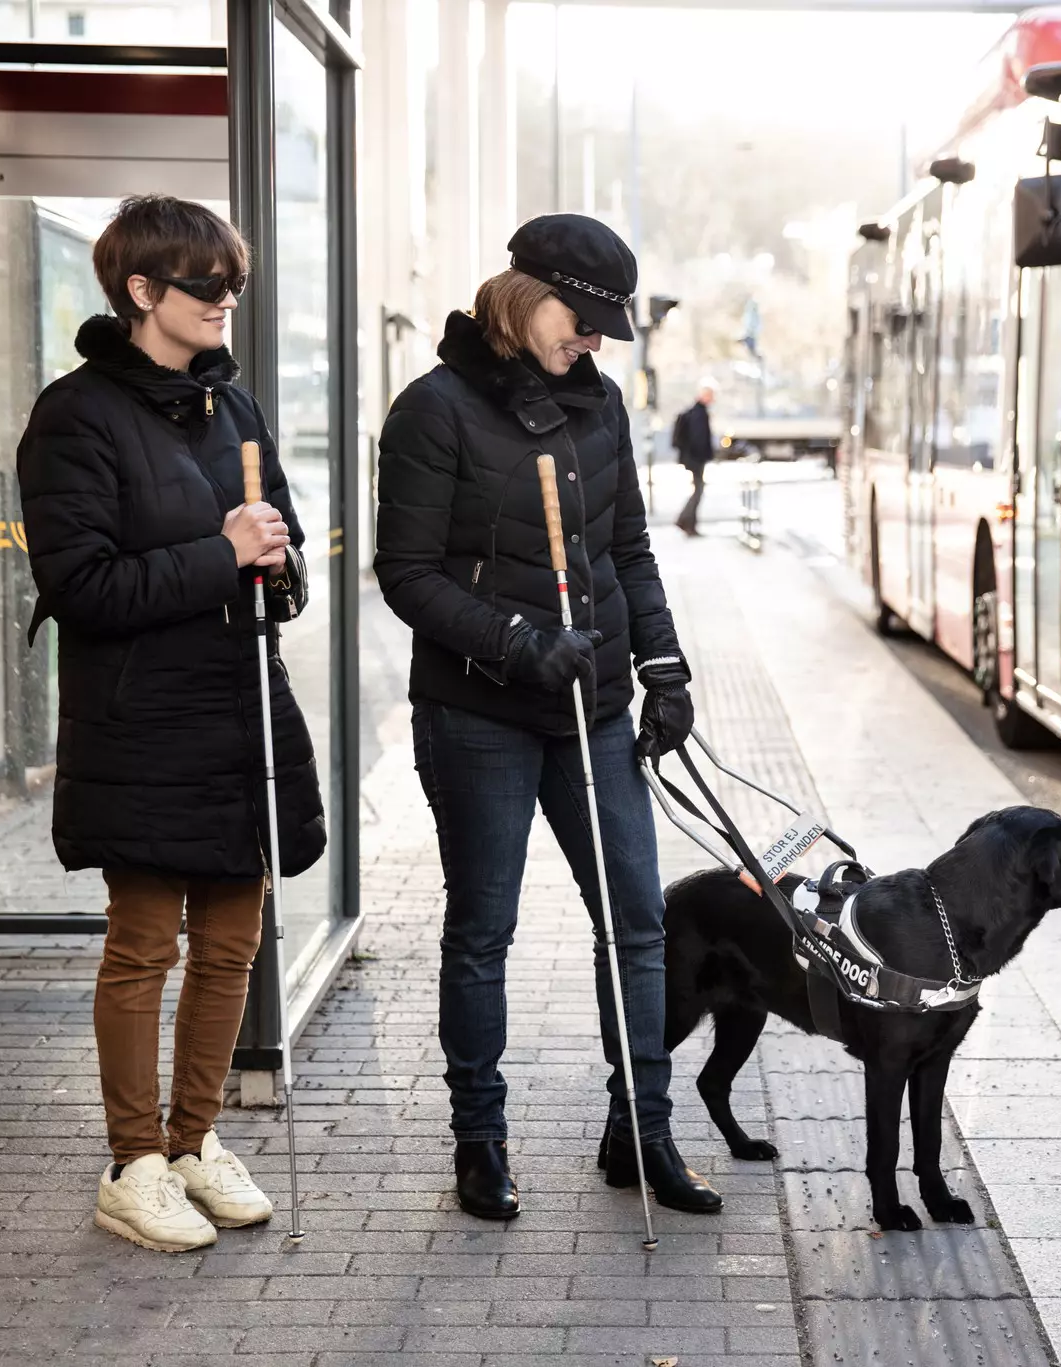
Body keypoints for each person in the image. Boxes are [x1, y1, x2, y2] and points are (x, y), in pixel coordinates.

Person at [373, 214, 719, 1221]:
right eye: (586, 318)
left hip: (597, 706)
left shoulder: (599, 404)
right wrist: (516, 639)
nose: (597, 341)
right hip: (478, 711)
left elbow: (628, 551)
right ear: (526, 296)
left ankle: (641, 1129)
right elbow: (406, 573)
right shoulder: (432, 409)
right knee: (484, 928)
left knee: (640, 921)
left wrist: (662, 664)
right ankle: (480, 1139)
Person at [16, 195, 327, 1254]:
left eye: (232, 282)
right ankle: (132, 1161)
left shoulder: (231, 408)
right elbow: (83, 585)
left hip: (238, 710)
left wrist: (281, 568)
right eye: (206, 284)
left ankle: (194, 1143)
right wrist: (225, 551)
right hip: (141, 722)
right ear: (142, 291)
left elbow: (277, 554)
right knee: (144, 943)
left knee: (233, 942)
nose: (225, 299)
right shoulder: (76, 415)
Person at [671, 381, 716, 535]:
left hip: (693, 458)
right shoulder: (699, 414)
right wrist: (703, 456)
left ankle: (688, 523)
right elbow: (699, 439)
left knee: (698, 490)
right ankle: (685, 521)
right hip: (696, 459)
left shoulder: (695, 412)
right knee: (698, 491)